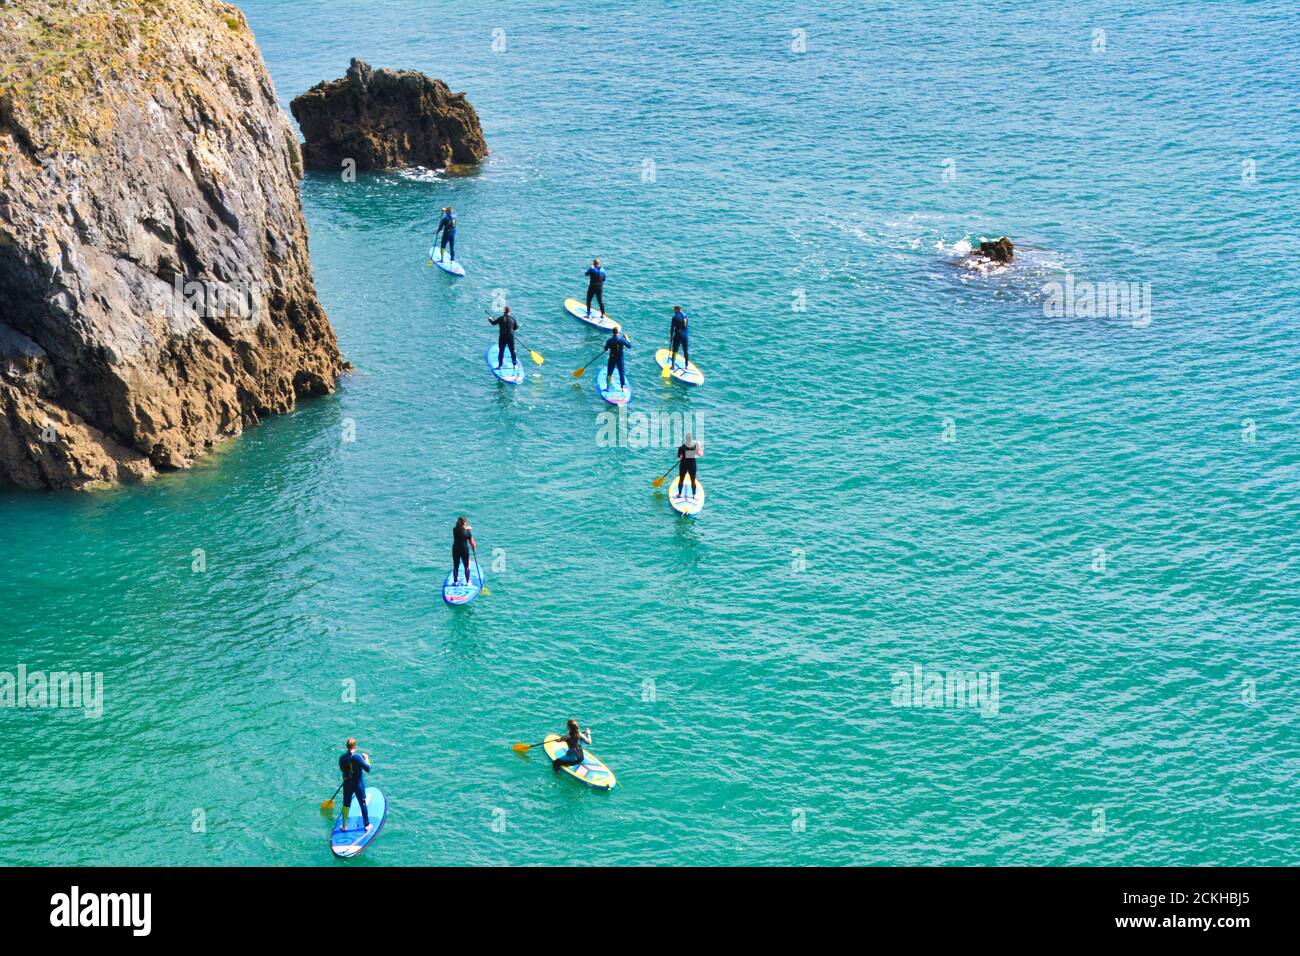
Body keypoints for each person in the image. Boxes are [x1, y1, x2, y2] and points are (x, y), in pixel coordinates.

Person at [338, 737, 372, 833]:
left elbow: (343, 770)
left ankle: (344, 826)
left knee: (346, 804)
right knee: (362, 802)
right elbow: (368, 768)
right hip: (358, 784)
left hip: (347, 783)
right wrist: (366, 758)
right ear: (355, 746)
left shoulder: (342, 758)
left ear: (347, 746)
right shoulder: (357, 757)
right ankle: (367, 825)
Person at [603, 324, 632, 390]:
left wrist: (607, 348)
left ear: (612, 332)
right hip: (620, 358)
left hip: (612, 358)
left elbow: (605, 349)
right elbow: (629, 346)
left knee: (609, 373)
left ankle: (607, 387)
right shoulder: (622, 340)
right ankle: (623, 387)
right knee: (621, 372)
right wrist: (626, 338)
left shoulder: (609, 340)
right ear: (618, 332)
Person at [451, 515, 476, 586]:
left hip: (455, 549)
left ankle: (455, 581)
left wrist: (467, 528)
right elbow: (473, 543)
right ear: (465, 523)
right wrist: (474, 549)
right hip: (464, 549)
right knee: (467, 566)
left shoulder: (454, 530)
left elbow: (461, 529)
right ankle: (468, 582)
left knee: (455, 566)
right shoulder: (467, 533)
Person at [677, 432, 702, 497]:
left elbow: (679, 456)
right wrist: (699, 447)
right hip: (688, 465)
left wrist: (683, 456)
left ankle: (689, 494)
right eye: (689, 439)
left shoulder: (683, 447)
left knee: (687, 480)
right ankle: (689, 494)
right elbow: (699, 454)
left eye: (689, 439)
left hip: (687, 465)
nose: (689, 440)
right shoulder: (685, 447)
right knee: (687, 480)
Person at [668, 305, 690, 369]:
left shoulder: (675, 317)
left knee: (675, 351)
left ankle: (672, 366)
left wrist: (671, 337)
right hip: (685, 336)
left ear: (677, 309)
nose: (674, 311)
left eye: (674, 310)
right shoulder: (685, 316)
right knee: (685, 351)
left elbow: (672, 328)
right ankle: (686, 365)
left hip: (678, 336)